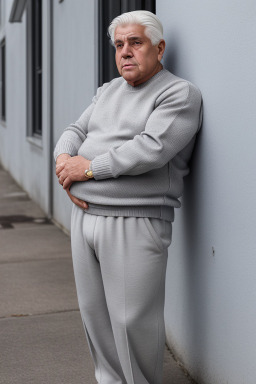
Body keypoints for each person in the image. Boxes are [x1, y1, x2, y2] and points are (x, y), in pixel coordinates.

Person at [54, 10, 202, 384]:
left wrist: (85, 171)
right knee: (96, 319)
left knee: (132, 322)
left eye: (135, 42)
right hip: (85, 218)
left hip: (135, 221)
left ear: (159, 47)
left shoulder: (179, 94)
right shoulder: (108, 91)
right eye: (119, 45)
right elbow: (75, 129)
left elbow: (151, 149)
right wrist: (63, 163)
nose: (125, 52)